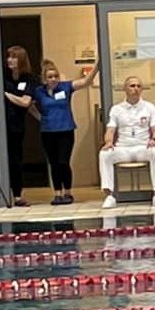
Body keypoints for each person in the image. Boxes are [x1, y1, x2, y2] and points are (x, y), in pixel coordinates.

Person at [21, 59, 96, 205]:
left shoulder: (65, 87)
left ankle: (67, 191)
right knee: (53, 163)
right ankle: (57, 193)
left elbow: (86, 81)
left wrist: (97, 67)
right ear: (44, 79)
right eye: (50, 77)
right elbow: (28, 105)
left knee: (63, 162)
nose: (53, 79)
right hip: (48, 131)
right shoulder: (39, 91)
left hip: (65, 130)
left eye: (55, 76)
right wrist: (40, 117)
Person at [99, 75, 155, 207]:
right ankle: (109, 195)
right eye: (132, 86)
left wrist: (154, 139)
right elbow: (110, 130)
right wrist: (108, 142)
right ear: (125, 89)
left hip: (142, 147)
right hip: (123, 148)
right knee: (104, 154)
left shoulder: (149, 107)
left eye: (138, 86)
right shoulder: (116, 109)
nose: (135, 89)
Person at [2, 45, 38, 208]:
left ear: (21, 60)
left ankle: (17, 195)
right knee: (2, 159)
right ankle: (0, 194)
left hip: (16, 125)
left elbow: (25, 102)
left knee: (16, 160)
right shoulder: (3, 76)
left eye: (14, 57)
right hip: (0, 124)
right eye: (9, 56)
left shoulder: (29, 79)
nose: (10, 60)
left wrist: (6, 94)